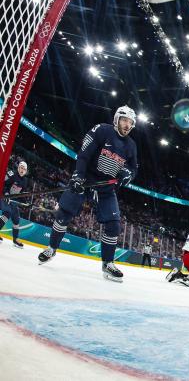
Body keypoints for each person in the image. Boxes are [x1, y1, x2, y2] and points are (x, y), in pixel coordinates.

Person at [37, 106, 138, 283]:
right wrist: (78, 175)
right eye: (124, 120)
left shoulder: (131, 145)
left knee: (114, 225)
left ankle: (107, 264)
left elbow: (133, 167)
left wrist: (128, 174)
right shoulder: (101, 130)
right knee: (64, 214)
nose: (127, 125)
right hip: (86, 180)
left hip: (106, 188)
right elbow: (84, 154)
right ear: (116, 119)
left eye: (130, 123)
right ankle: (51, 248)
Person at [0, 161, 29, 248]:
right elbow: (3, 183)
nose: (22, 170)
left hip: (13, 202)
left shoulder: (25, 181)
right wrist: (6, 193)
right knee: (7, 213)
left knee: (16, 220)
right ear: (18, 168)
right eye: (21, 167)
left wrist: (26, 203)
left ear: (26, 171)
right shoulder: (12, 174)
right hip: (4, 197)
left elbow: (22, 194)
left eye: (24, 169)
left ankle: (15, 240)